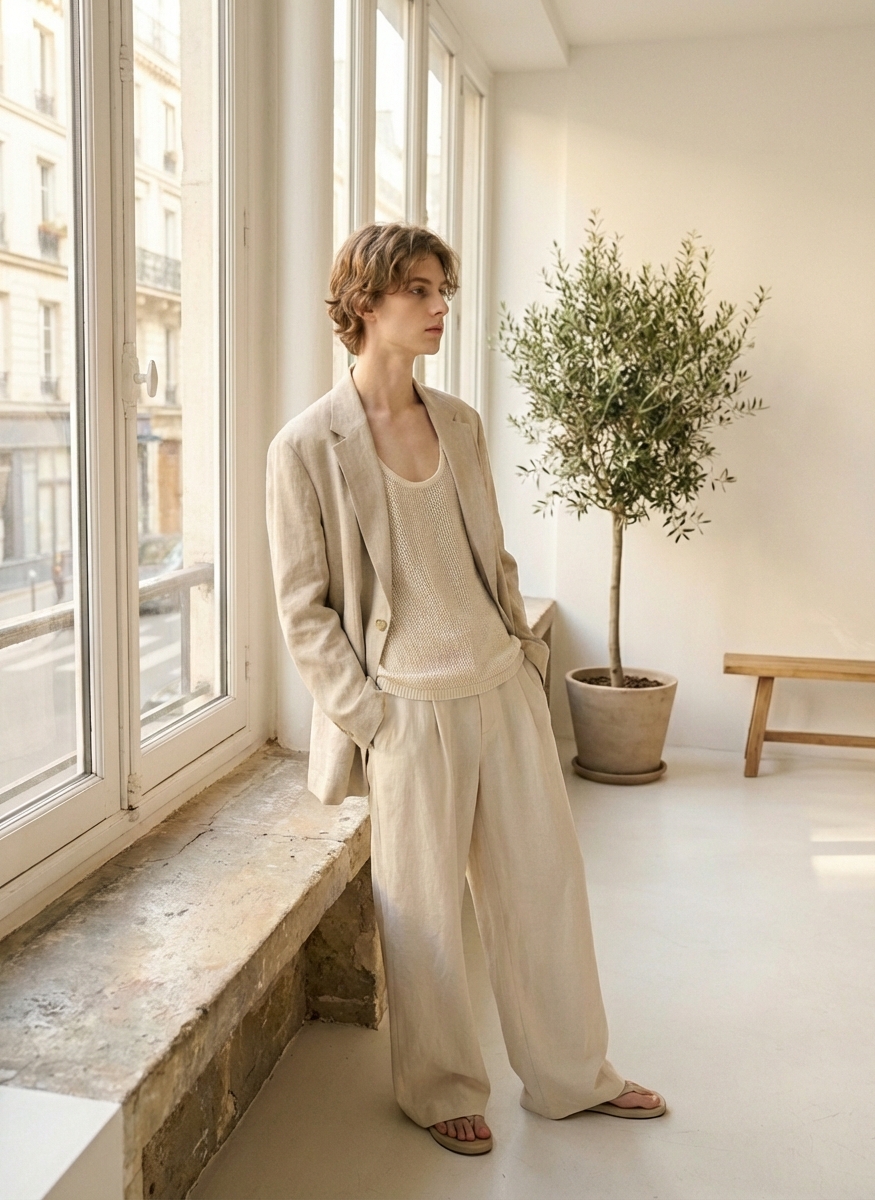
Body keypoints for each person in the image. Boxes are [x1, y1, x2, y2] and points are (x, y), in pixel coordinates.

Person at [266, 223, 665, 1156]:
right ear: (365, 303)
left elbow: (491, 552)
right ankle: (440, 1087)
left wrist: (524, 657)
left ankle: (573, 1075)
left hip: (501, 688)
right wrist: (371, 719)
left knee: (544, 892)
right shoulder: (305, 446)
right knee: (426, 914)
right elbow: (303, 610)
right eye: (420, 288)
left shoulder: (461, 422)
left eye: (443, 287)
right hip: (405, 710)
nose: (441, 305)